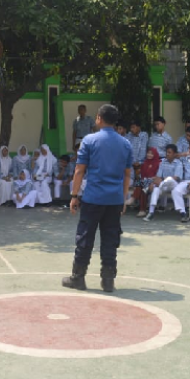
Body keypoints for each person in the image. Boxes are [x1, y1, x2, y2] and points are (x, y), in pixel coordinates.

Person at [61, 104, 132, 293]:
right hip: (115, 199)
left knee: (85, 237)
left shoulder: (89, 141)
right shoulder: (125, 144)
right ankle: (108, 281)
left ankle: (78, 277)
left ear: (99, 119)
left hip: (93, 197)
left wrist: (74, 195)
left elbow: (79, 170)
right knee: (110, 239)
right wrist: (123, 199)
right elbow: (127, 175)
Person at [142, 144, 183, 222]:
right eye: (167, 152)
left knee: (170, 179)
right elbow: (158, 176)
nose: (167, 154)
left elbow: (176, 177)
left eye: (169, 152)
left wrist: (161, 180)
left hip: (174, 185)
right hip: (163, 185)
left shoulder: (178, 163)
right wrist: (156, 182)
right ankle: (151, 213)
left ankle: (155, 185)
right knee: (156, 189)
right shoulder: (163, 162)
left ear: (174, 154)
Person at [134, 148, 160, 217]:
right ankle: (142, 210)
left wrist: (151, 179)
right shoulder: (145, 163)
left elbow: (158, 176)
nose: (149, 155)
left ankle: (134, 199)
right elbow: (142, 175)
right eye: (148, 153)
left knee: (142, 184)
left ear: (155, 154)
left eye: (151, 153)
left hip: (154, 182)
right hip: (145, 182)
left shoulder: (158, 163)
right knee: (143, 187)